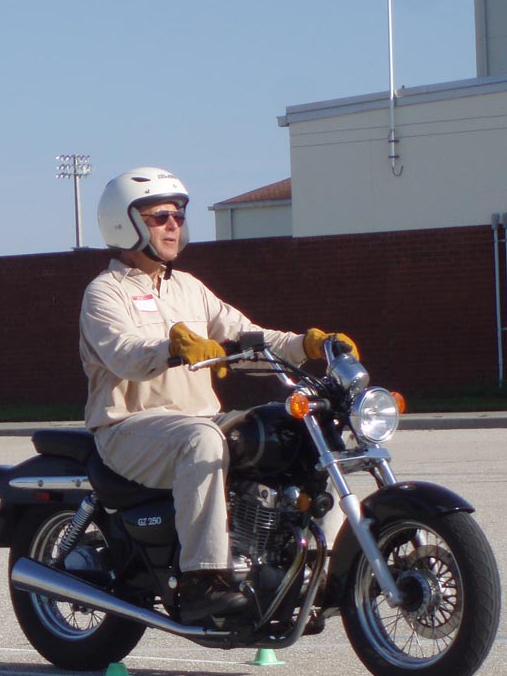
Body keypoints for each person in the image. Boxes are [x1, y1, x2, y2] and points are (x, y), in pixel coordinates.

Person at [79, 167, 357, 624]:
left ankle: (314, 571)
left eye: (178, 215)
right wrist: (172, 347)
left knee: (300, 432)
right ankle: (202, 581)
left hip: (200, 418)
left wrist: (307, 346)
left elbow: (248, 336)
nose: (174, 225)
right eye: (160, 217)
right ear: (123, 223)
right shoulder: (105, 293)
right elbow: (124, 354)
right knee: (202, 441)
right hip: (129, 426)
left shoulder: (189, 288)